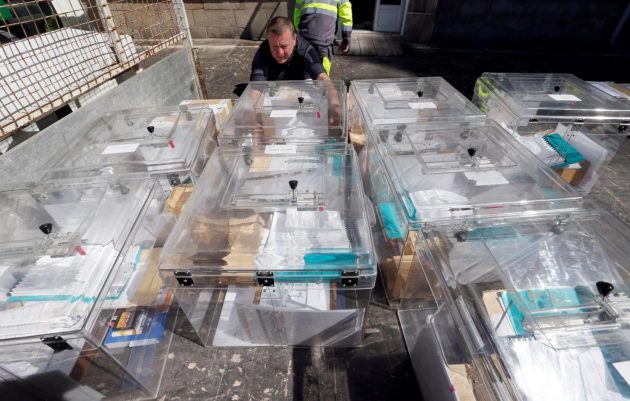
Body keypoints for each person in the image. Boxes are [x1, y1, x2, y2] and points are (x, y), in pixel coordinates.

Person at [250, 16, 329, 82]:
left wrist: (331, 90)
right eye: (274, 46)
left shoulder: (305, 49)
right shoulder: (263, 50)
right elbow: (257, 81)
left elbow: (320, 75)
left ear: (294, 39)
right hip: (274, 89)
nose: (280, 53)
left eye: (284, 46)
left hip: (301, 88)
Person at [293, 0, 353, 75]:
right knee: (322, 76)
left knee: (303, 73)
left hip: (305, 38)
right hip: (324, 42)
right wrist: (346, 39)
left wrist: (300, 34)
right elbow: (346, 14)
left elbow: (297, 15)